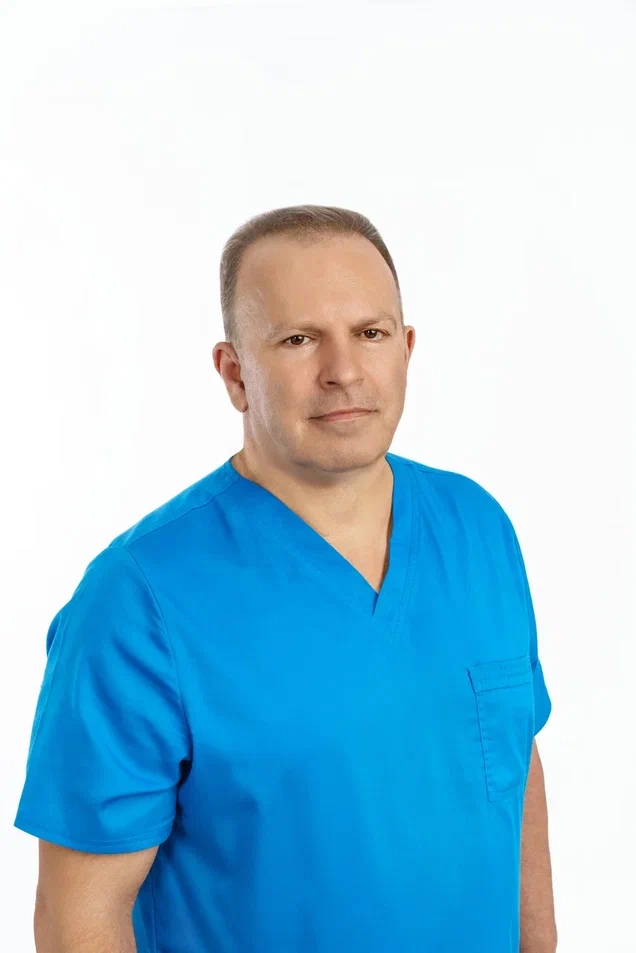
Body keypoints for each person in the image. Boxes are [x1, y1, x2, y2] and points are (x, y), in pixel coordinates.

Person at [14, 204, 557, 953]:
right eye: (299, 339)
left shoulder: (478, 528)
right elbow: (78, 919)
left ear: (406, 348)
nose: (343, 371)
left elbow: (514, 765)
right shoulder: (138, 600)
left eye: (370, 333)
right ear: (235, 372)